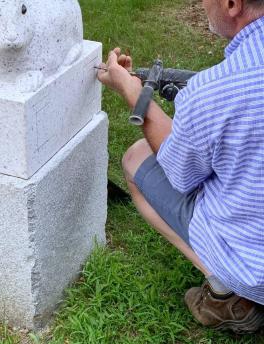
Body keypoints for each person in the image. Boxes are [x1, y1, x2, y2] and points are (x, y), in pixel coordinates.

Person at [97, 0, 264, 334]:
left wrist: (133, 95)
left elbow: (181, 173)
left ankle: (230, 294)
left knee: (135, 159)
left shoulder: (215, 92)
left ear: (232, 4)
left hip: (256, 270)